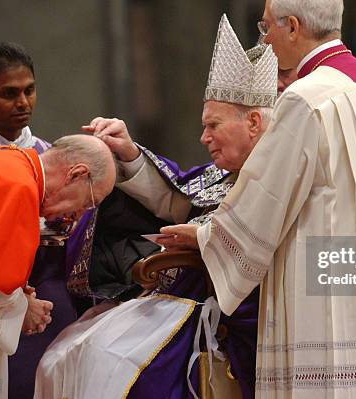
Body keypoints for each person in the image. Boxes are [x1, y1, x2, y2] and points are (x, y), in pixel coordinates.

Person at [160, 1, 356, 397]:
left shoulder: (306, 99)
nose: (265, 40)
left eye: (266, 28)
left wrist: (203, 237)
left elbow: (265, 201)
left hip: (328, 299)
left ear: (294, 27)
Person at [34, 18, 277, 399]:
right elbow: (177, 199)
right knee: (63, 354)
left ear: (254, 121)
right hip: (167, 300)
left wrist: (202, 239)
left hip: (207, 310)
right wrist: (129, 154)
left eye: (213, 125)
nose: (203, 138)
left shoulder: (276, 180)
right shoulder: (220, 173)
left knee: (108, 361)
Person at [0, 42, 92, 398]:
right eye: (9, 93)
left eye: (29, 90)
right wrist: (16, 303)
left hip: (53, 296)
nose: (23, 102)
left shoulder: (52, 159)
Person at [0, 134, 116, 399]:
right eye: (87, 203)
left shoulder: (10, 164)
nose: (78, 215)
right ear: (76, 174)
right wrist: (23, 309)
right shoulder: (18, 185)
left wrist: (18, 296)